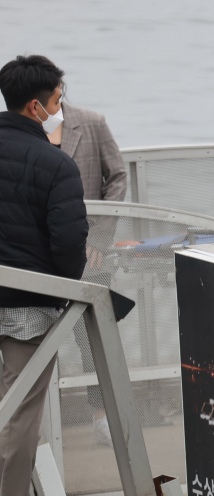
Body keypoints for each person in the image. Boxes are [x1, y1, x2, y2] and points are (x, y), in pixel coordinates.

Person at [0, 55, 87, 496]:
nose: (60, 106)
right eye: (57, 99)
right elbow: (69, 244)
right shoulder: (55, 165)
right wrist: (63, 290)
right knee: (19, 412)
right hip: (28, 307)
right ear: (36, 107)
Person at [50, 97, 126, 445]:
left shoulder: (91, 122)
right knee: (36, 333)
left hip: (90, 253)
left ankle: (101, 415)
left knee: (91, 336)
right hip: (42, 254)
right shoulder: (21, 129)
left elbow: (118, 176)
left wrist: (99, 236)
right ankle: (44, 423)